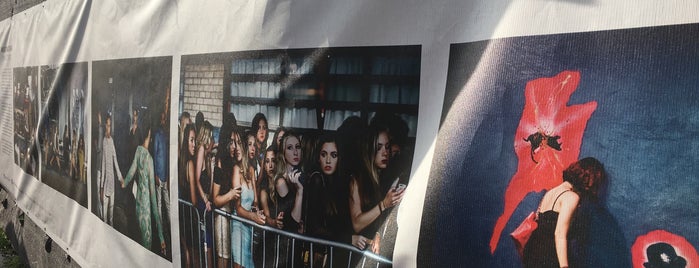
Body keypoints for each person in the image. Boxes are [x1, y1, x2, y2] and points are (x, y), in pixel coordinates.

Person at [522, 157, 607, 268]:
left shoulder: (552, 191)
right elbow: (560, 234)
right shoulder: (572, 197)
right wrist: (564, 266)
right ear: (590, 180)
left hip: (533, 252)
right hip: (550, 255)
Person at [348, 124, 405, 254]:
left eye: (387, 147)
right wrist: (383, 205)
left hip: (376, 251)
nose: (385, 152)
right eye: (379, 148)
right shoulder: (356, 180)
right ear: (369, 150)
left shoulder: (387, 178)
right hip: (357, 252)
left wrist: (379, 234)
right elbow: (356, 224)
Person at [120, 124, 167, 256]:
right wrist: (162, 237)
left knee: (138, 245)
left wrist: (124, 183)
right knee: (146, 249)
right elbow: (153, 198)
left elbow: (131, 171)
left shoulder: (138, 151)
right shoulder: (149, 160)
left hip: (138, 206)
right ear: (150, 137)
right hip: (146, 211)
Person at [231, 127, 266, 268]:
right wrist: (253, 216)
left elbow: (255, 201)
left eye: (254, 145)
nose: (253, 148)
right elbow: (238, 209)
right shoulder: (236, 170)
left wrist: (257, 211)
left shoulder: (251, 171)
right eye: (249, 144)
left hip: (249, 229)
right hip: (238, 227)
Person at [212, 119, 241, 268]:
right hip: (222, 217)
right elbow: (215, 199)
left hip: (230, 216)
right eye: (231, 142)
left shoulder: (231, 162)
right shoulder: (219, 163)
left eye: (236, 142)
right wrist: (230, 195)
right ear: (224, 142)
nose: (234, 146)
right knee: (223, 259)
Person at [195, 121, 215, 268]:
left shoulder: (207, 154)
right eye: (212, 137)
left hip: (206, 200)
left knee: (208, 242)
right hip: (202, 201)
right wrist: (205, 200)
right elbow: (196, 179)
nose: (213, 140)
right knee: (206, 241)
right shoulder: (201, 149)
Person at [179, 123, 197, 268]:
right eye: (191, 140)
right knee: (191, 256)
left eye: (195, 140)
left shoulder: (181, 161)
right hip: (189, 215)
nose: (194, 144)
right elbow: (193, 199)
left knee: (185, 252)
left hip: (181, 213)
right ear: (186, 141)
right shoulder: (190, 163)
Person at [100, 115, 123, 226]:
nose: (109, 128)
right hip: (105, 183)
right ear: (105, 126)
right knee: (104, 218)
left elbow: (115, 161)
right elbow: (103, 165)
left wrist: (120, 177)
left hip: (112, 181)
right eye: (107, 125)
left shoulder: (111, 141)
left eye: (110, 126)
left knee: (111, 218)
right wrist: (101, 187)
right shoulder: (103, 141)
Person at [153, 111, 170, 230]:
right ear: (160, 121)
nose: (164, 122)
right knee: (159, 203)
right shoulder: (157, 136)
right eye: (162, 119)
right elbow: (154, 155)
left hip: (165, 176)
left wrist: (168, 176)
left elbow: (167, 157)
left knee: (167, 203)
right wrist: (155, 175)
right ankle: (159, 227)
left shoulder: (165, 136)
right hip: (159, 175)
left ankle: (169, 226)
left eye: (165, 119)